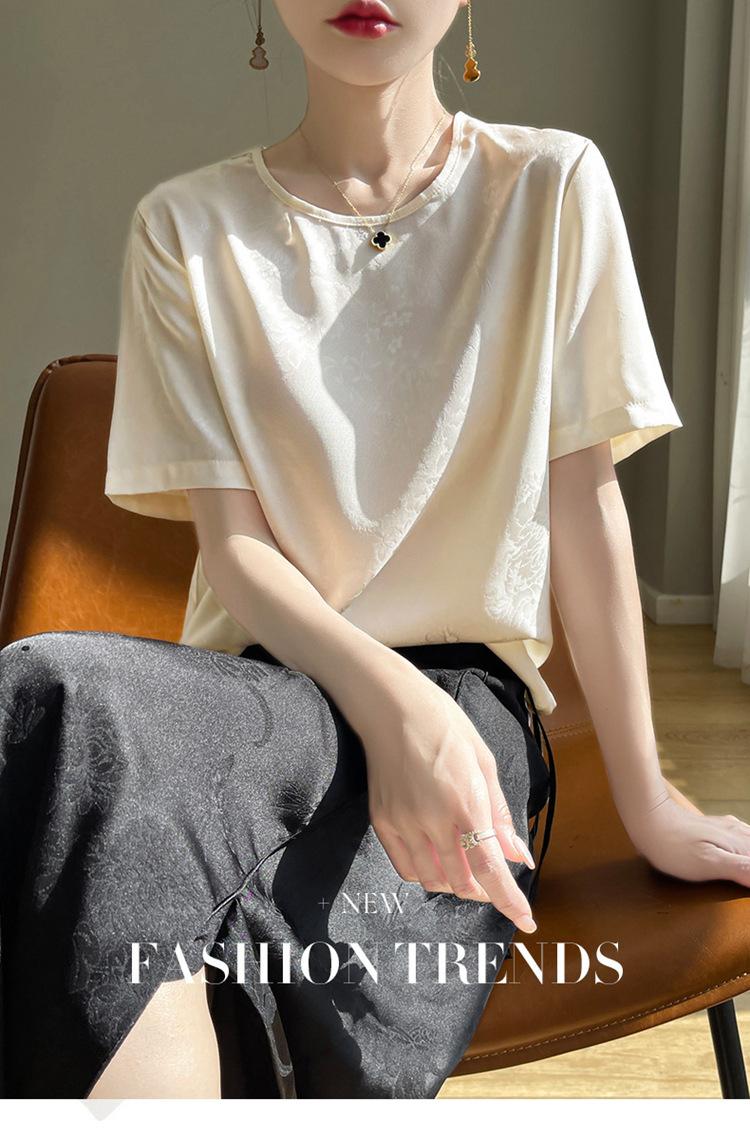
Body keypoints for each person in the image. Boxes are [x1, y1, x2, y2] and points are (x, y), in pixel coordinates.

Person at [1, 0, 749, 1102]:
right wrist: (394, 704)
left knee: (86, 828)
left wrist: (650, 802)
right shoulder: (188, 228)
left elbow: (585, 508)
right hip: (254, 709)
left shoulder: (550, 188)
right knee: (61, 719)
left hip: (468, 717)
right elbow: (237, 551)